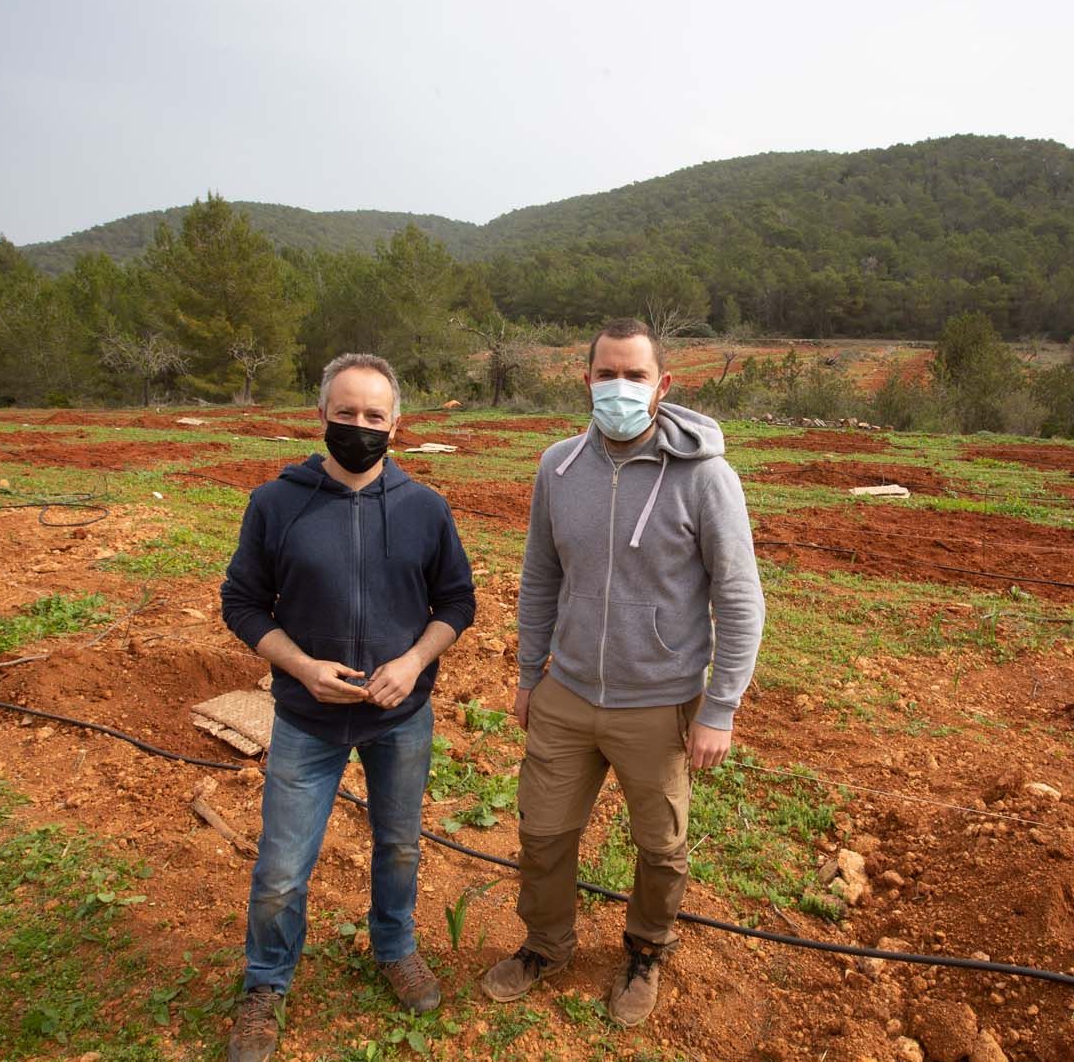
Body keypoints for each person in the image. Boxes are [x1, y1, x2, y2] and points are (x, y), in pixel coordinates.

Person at [480, 318, 765, 1026]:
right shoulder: (558, 467)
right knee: (542, 832)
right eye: (606, 373)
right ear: (586, 381)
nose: (619, 387)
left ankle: (645, 950)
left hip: (659, 703)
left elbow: (740, 598)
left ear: (662, 385)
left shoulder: (706, 478)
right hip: (567, 692)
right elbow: (540, 575)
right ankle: (546, 945)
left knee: (660, 846)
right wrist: (527, 673)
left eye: (635, 375)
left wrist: (720, 707)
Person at [220, 353, 476, 1062]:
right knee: (280, 865)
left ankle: (394, 947)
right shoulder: (277, 502)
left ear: (397, 423)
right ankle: (266, 983)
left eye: (373, 415)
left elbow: (457, 601)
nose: (358, 427)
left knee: (398, 844)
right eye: (346, 413)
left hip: (401, 717)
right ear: (321, 416)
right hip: (308, 718)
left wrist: (413, 660)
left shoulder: (425, 508)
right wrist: (300, 664)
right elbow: (240, 601)